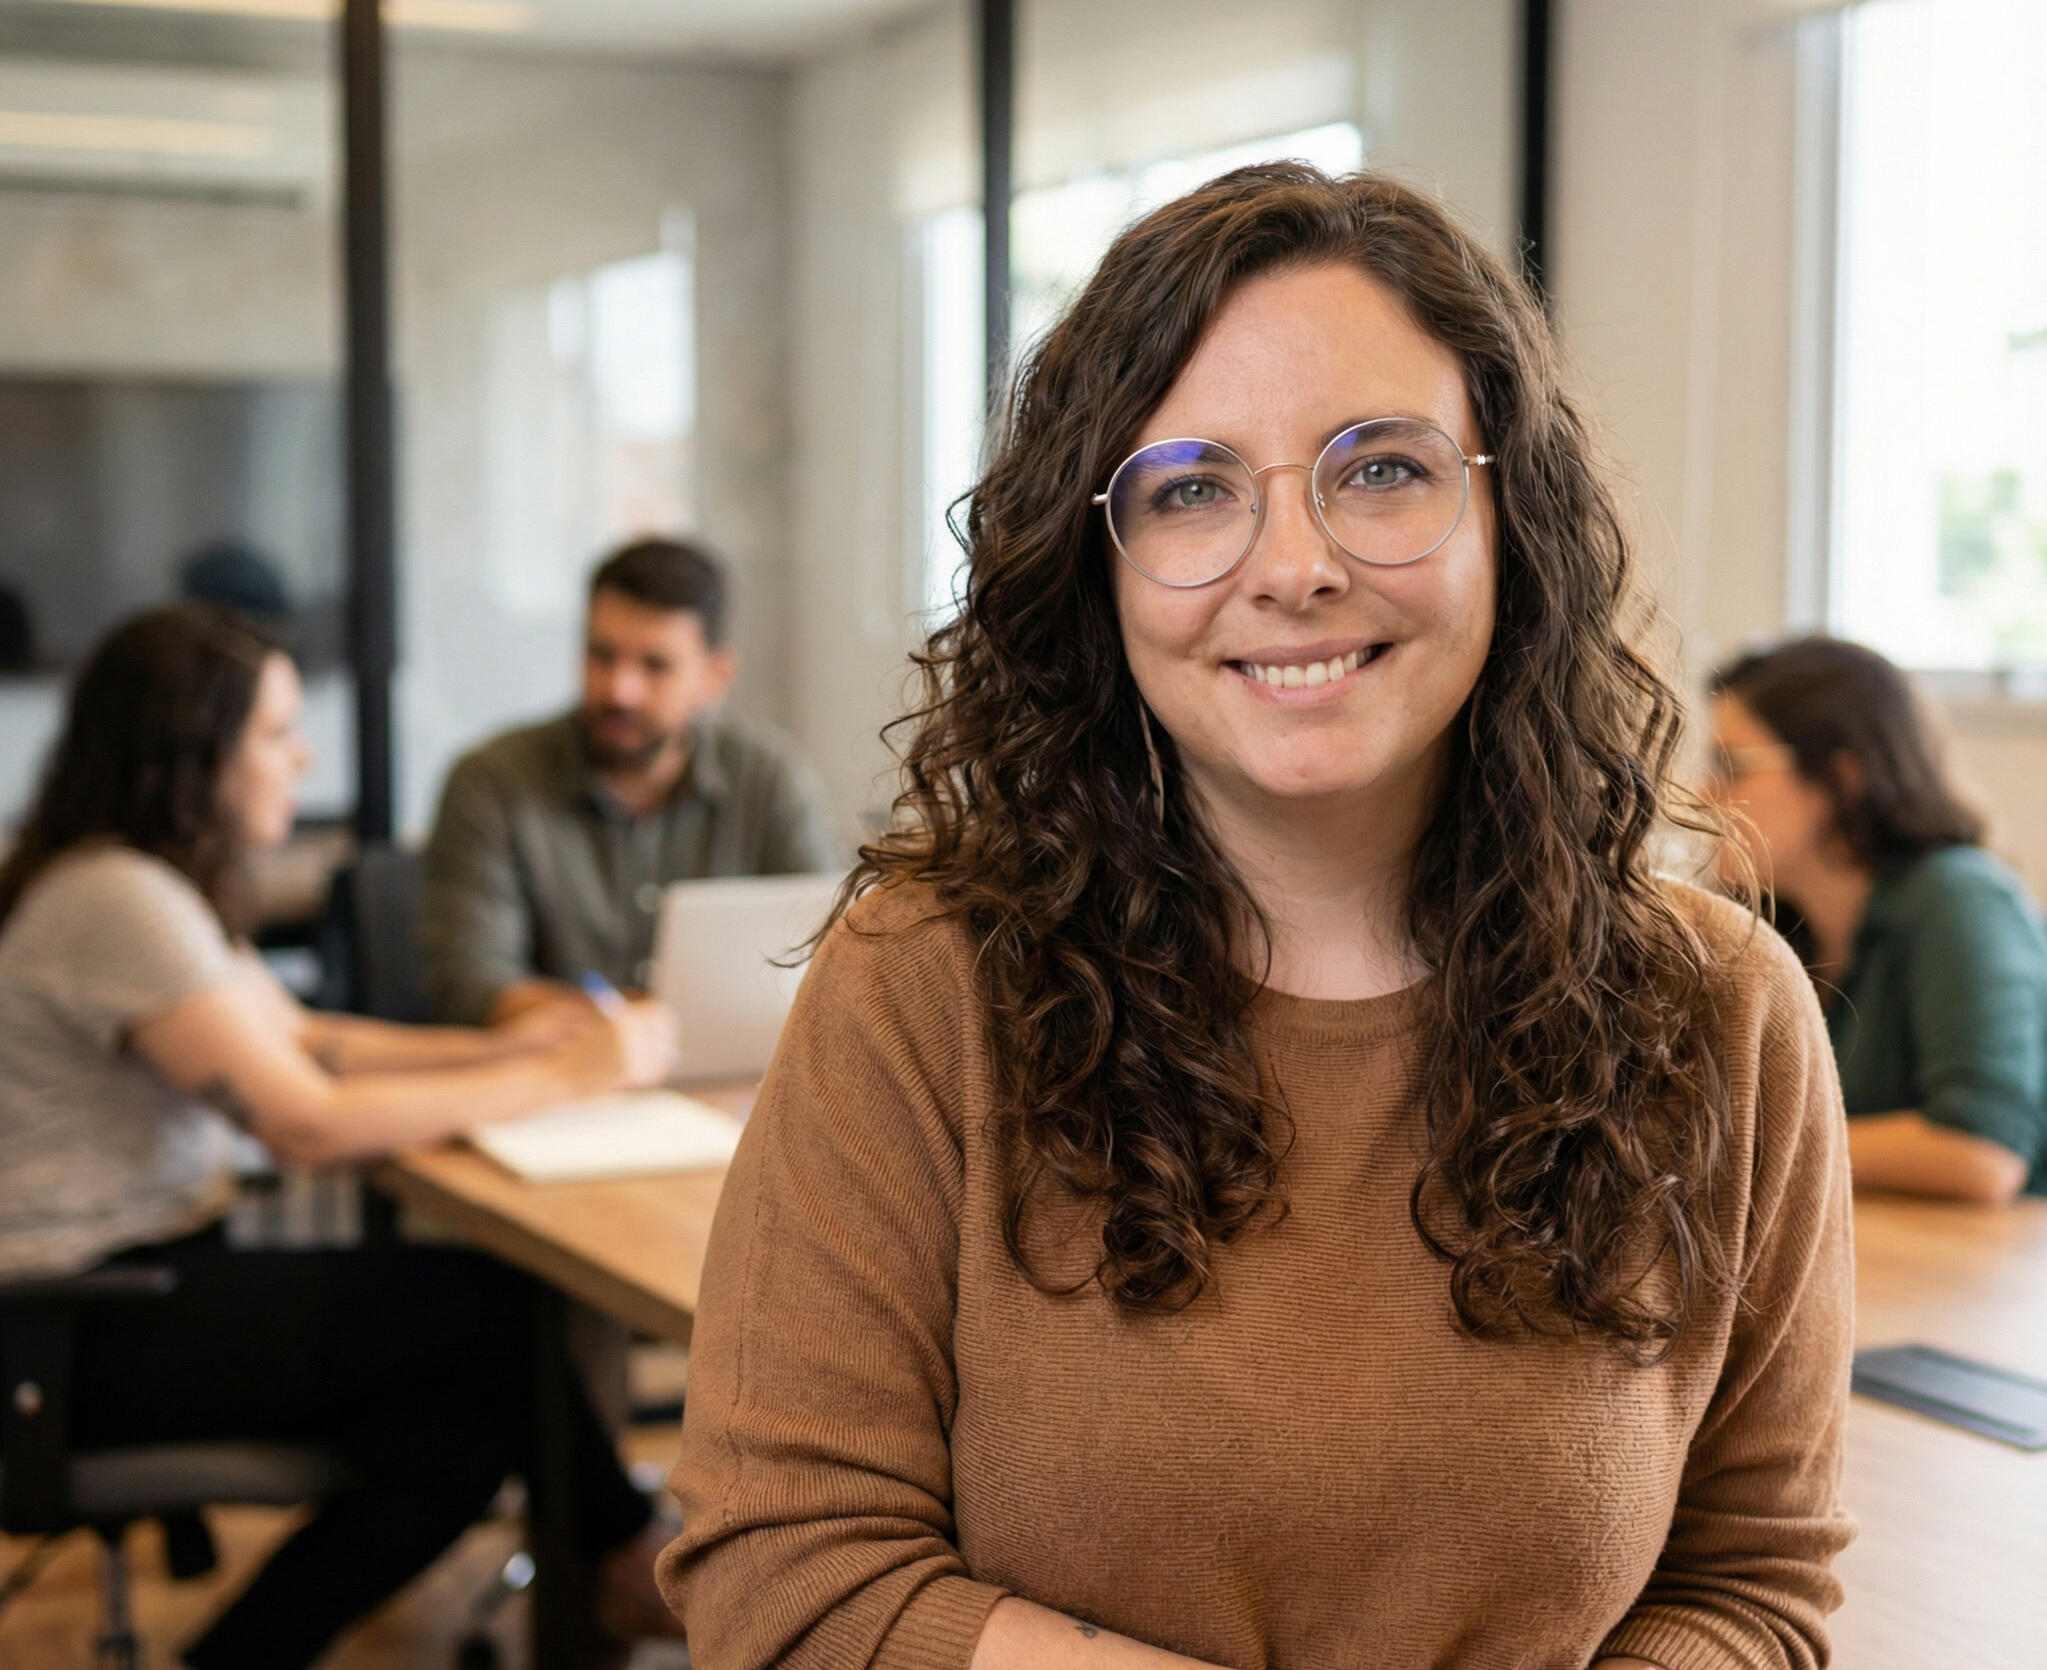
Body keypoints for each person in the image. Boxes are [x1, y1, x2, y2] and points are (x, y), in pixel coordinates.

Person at [660, 166, 1854, 1670]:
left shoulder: (1724, 1016)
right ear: (1095, 570)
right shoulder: (923, 986)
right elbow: (786, 1576)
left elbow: (1751, 1588)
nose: (1291, 567)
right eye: (1191, 489)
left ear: (1509, 518)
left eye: (1379, 470)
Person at [0, 604, 686, 1670]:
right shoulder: (117, 897)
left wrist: (519, 1048)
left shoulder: (144, 882)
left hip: (123, 1302)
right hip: (74, 1327)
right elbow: (305, 1121)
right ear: (194, 752)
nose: (301, 755)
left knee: (459, 1438)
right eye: (276, 733)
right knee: (490, 1302)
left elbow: (312, 1040)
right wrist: (564, 1073)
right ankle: (626, 1559)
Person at [421, 536, 843, 1029]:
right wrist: (631, 1027)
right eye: (602, 655)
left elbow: (830, 961)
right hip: (555, 1083)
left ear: (714, 676)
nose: (620, 689)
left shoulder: (769, 781)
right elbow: (467, 984)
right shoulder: (491, 783)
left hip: (728, 1084)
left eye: (654, 665)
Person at [1708, 635, 2047, 1203]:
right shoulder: (1777, 929)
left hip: (1994, 1277)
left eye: (1732, 766)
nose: (1704, 791)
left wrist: (1743, 1150)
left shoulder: (1960, 897)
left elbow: (1983, 1154)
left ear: (1841, 779)